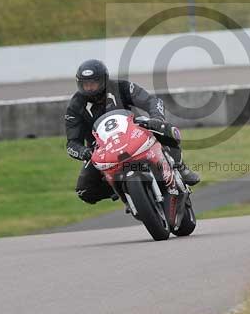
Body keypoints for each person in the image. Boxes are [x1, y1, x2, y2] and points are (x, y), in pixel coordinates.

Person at [65, 59, 200, 205]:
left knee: (161, 128)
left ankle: (180, 167)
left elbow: (152, 101)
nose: (89, 88)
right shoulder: (75, 106)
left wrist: (156, 118)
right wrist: (83, 152)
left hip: (133, 133)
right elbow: (72, 144)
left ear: (104, 80)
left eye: (93, 83)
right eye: (85, 84)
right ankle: (119, 188)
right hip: (103, 150)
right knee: (84, 191)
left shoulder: (120, 87)